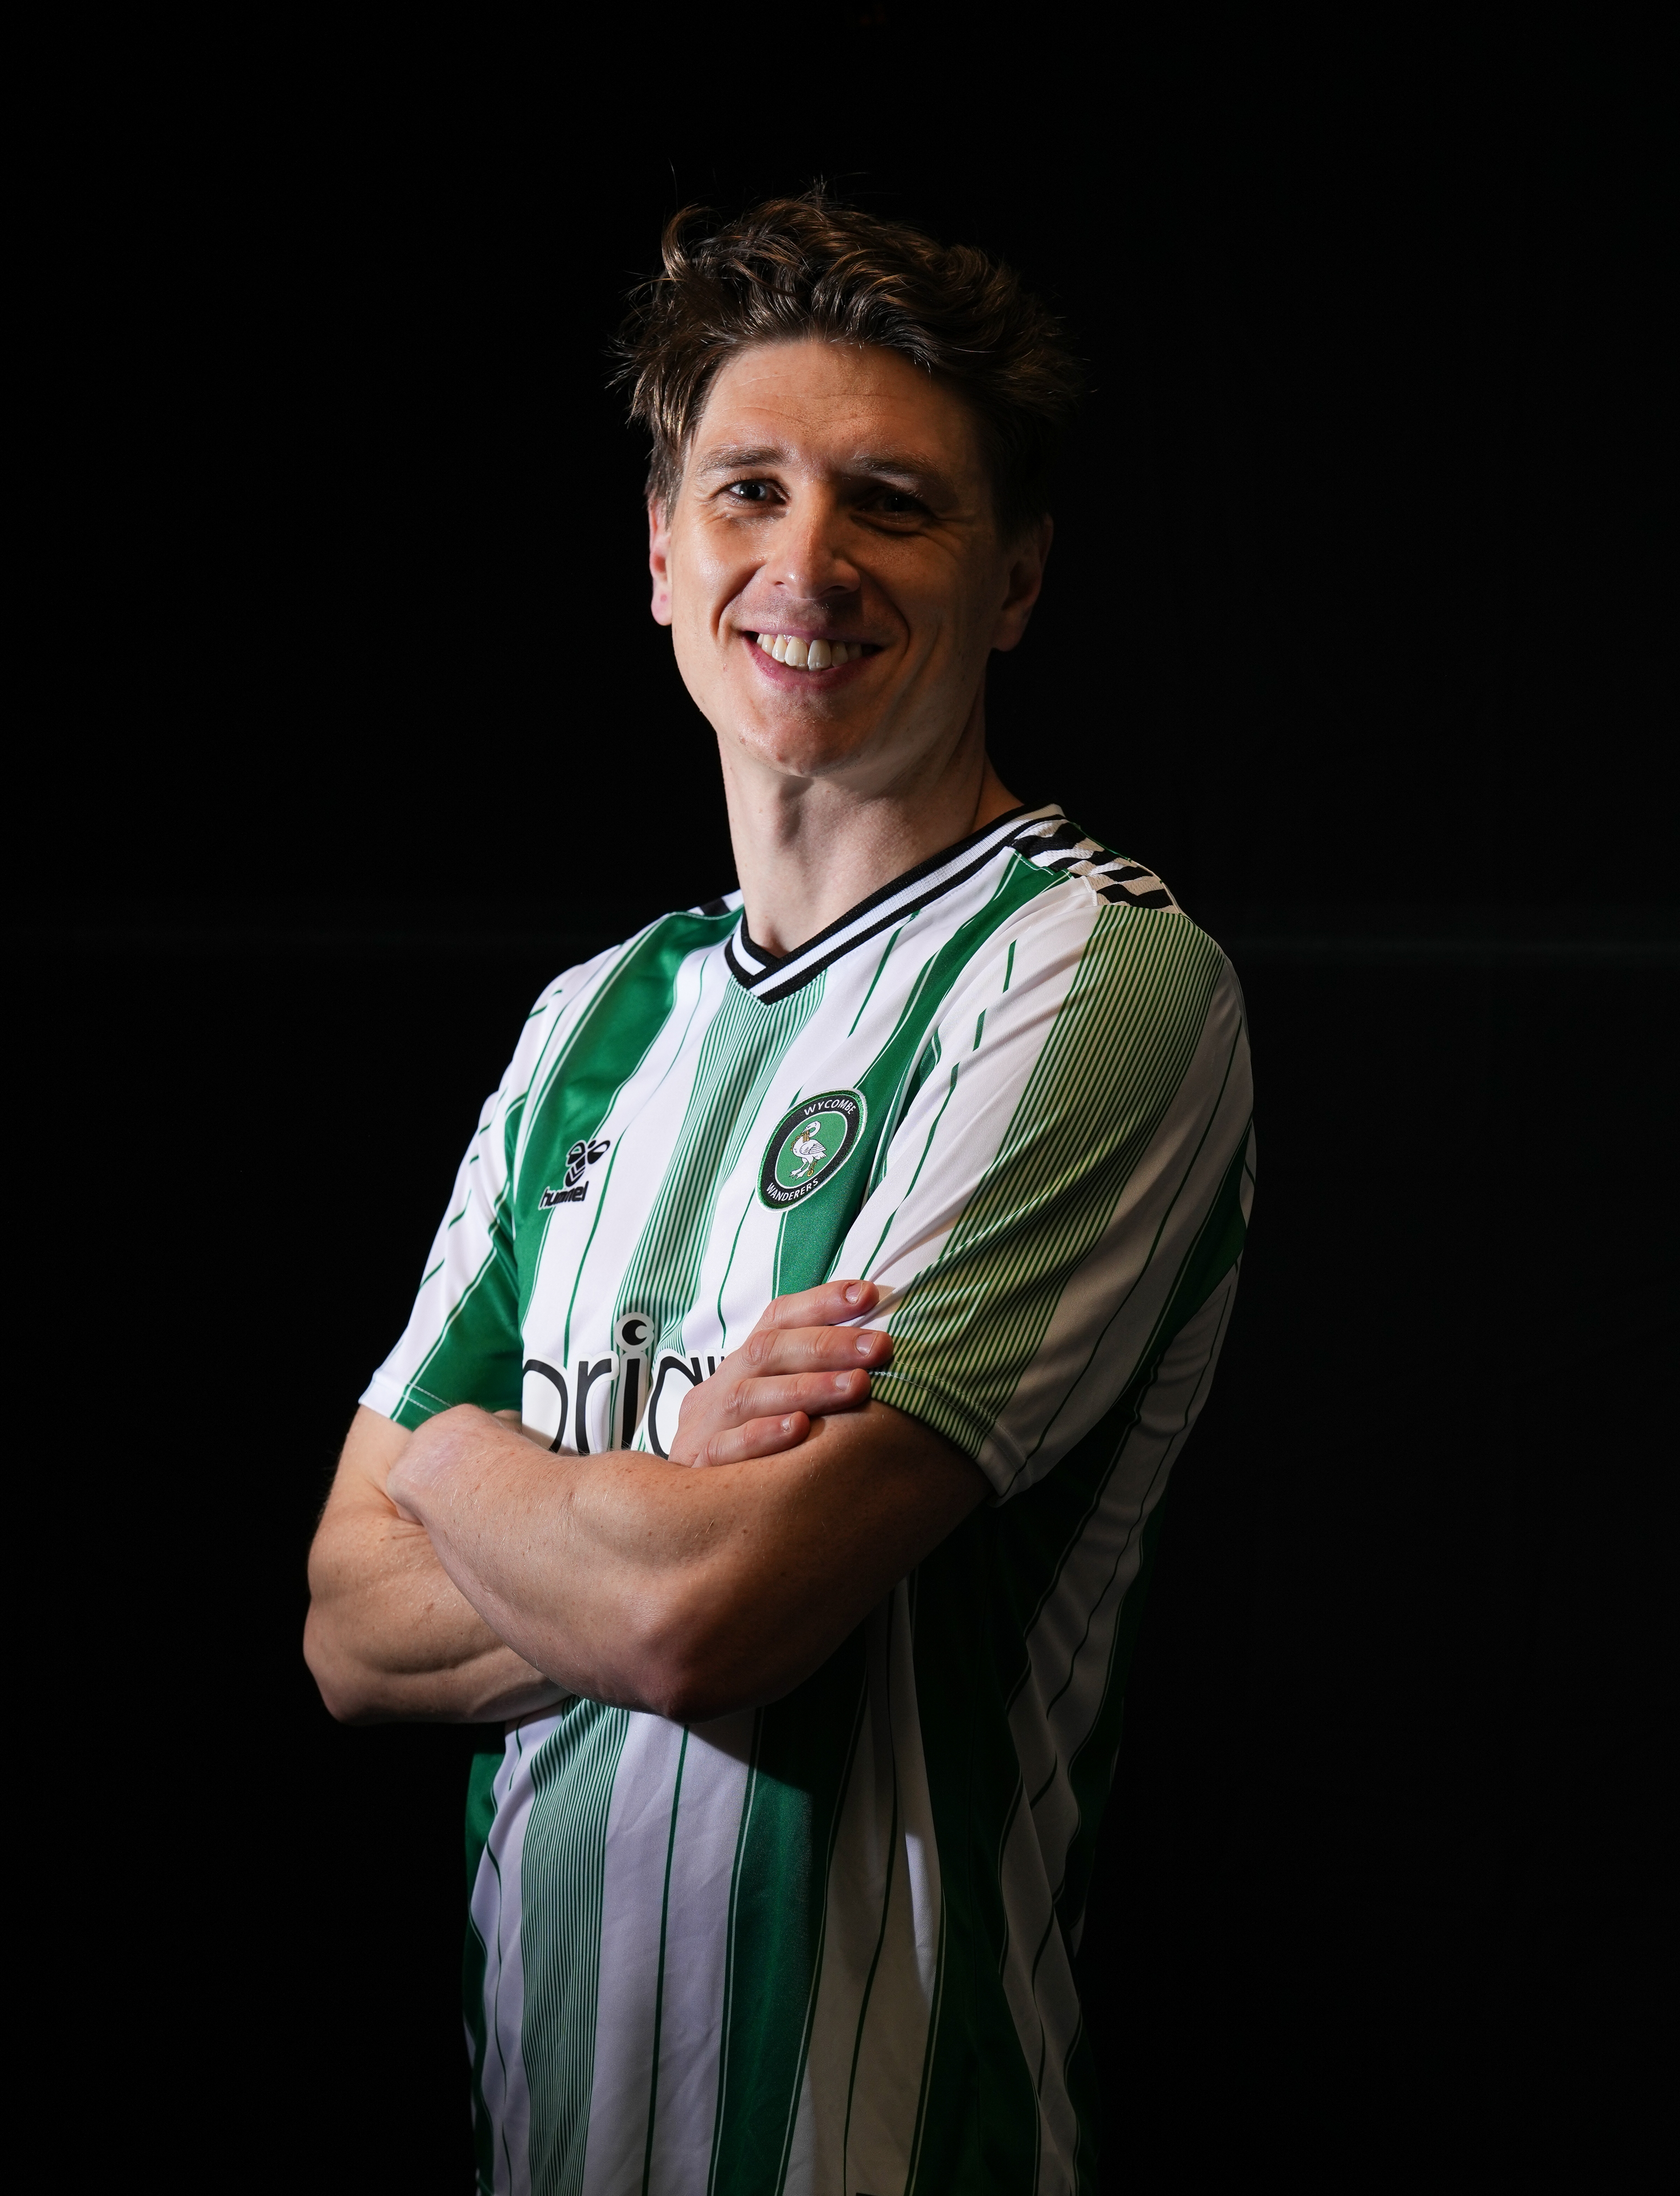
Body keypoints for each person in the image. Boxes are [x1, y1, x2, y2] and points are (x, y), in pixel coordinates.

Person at [304, 191, 1255, 2195]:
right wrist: (665, 1484)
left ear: (1016, 580)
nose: (807, 564)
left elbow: (717, 1609)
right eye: (749, 491)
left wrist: (459, 1463)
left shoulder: (1092, 977)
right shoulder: (593, 1021)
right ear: (663, 554)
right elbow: (343, 1627)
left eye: (893, 504)